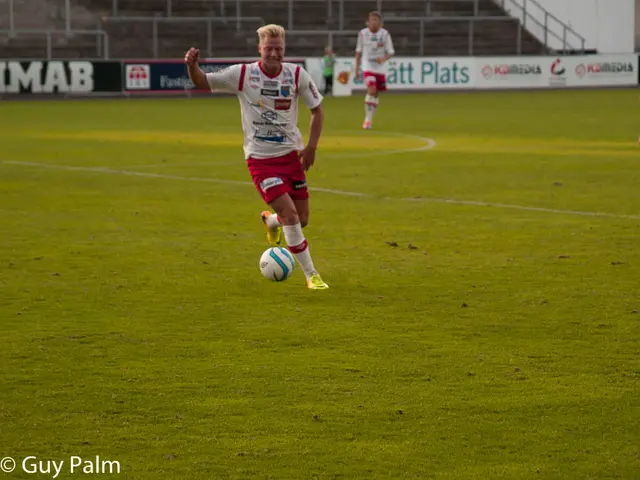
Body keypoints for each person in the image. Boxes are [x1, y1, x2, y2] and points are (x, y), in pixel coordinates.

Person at [184, 24, 329, 290]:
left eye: (279, 48)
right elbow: (203, 81)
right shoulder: (242, 75)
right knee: (291, 216)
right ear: (259, 49)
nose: (274, 53)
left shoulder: (296, 75)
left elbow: (317, 110)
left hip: (291, 158)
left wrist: (311, 147)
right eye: (269, 48)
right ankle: (312, 275)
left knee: (302, 218)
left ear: (284, 49)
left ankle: (270, 221)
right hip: (261, 161)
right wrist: (192, 66)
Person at [354, 11, 395, 130]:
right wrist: (357, 69)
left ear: (380, 23)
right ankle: (367, 120)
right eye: (371, 20)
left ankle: (369, 119)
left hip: (380, 68)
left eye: (375, 20)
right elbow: (358, 52)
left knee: (376, 93)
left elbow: (391, 52)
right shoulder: (362, 34)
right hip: (367, 66)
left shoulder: (385, 34)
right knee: (372, 89)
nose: (372, 22)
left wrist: (383, 59)